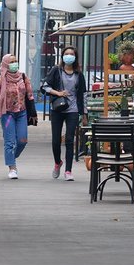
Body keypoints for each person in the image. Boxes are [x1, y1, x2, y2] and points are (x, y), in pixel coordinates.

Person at [41, 46, 88, 181]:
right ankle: (58, 162)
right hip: (57, 108)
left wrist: (84, 114)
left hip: (72, 109)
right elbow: (44, 87)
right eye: (66, 54)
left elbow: (83, 94)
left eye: (71, 54)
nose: (68, 56)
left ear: (75, 57)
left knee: (69, 139)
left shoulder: (79, 74)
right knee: (56, 140)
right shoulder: (56, 71)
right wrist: (58, 93)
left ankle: (68, 170)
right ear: (62, 56)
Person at [0, 54, 36, 179]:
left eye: (16, 61)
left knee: (22, 140)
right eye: (11, 62)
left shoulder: (23, 77)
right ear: (5, 64)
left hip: (22, 112)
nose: (14, 63)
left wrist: (33, 114)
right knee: (9, 141)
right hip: (7, 114)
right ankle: (12, 167)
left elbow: (30, 96)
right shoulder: (0, 79)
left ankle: (11, 156)